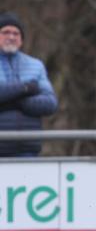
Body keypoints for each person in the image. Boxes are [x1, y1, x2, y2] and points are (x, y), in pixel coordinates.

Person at [0, 12, 58, 156]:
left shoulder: (36, 65)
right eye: (5, 32)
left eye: (16, 33)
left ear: (22, 40)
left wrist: (12, 101)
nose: (11, 37)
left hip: (27, 149)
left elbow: (50, 103)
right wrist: (26, 88)